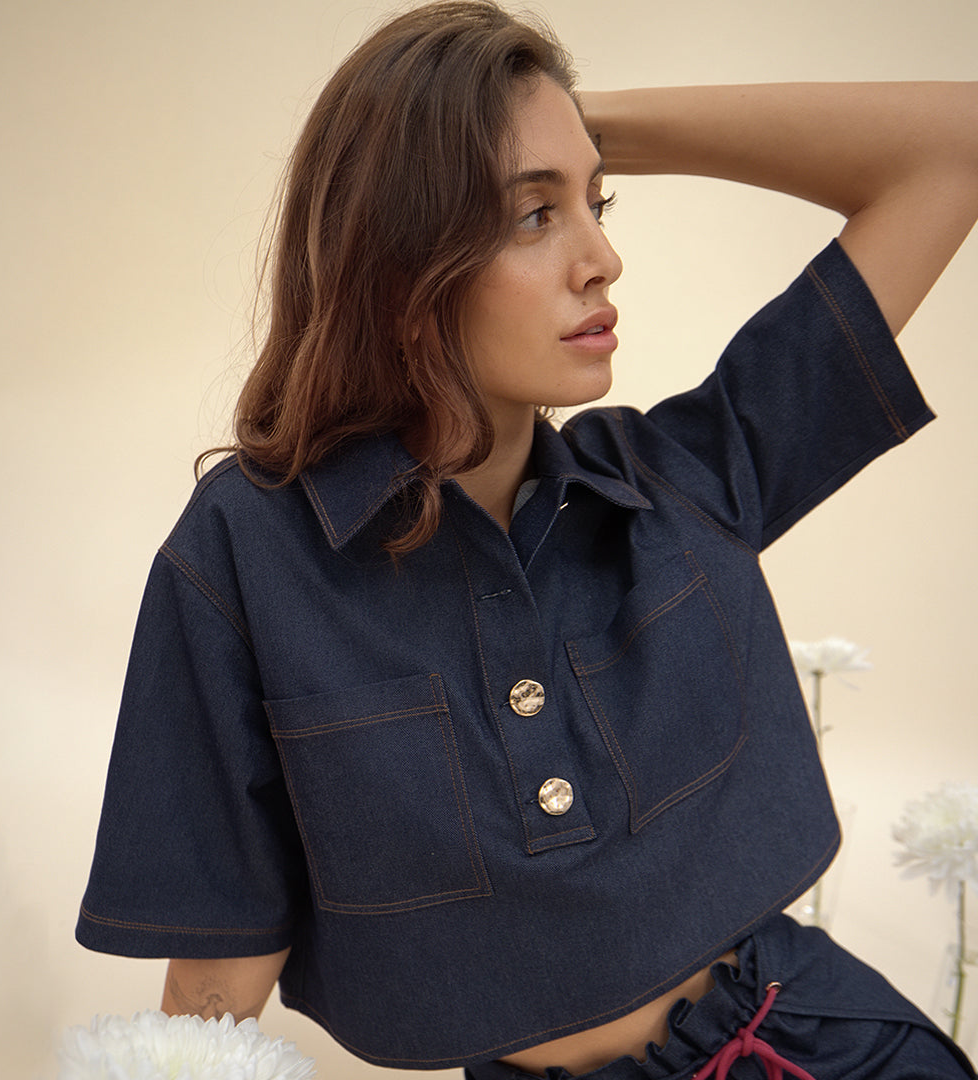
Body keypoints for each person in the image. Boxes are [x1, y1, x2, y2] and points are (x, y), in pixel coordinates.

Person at [76, 2, 978, 1077]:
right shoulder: (251, 551)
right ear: (399, 263)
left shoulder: (679, 480)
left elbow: (956, 143)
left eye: (597, 202)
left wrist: (575, 123)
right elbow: (217, 978)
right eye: (534, 216)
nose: (604, 259)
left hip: (830, 1041)